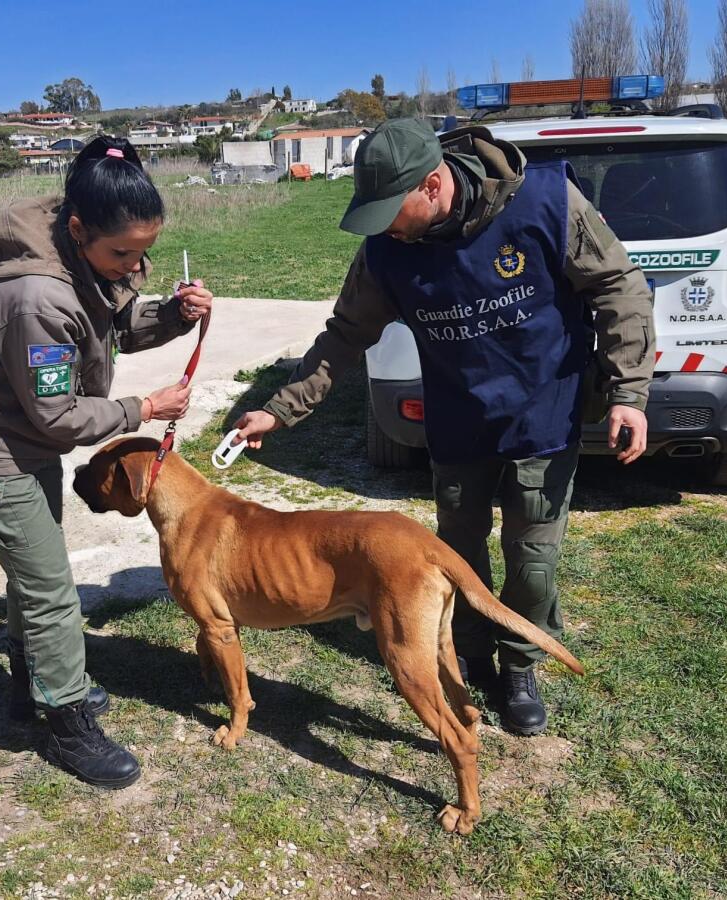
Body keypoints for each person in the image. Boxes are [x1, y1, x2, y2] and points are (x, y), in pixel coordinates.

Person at [233, 118, 654, 736]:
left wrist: (629, 392)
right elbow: (345, 336)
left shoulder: (546, 202)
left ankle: (519, 665)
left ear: (433, 185)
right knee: (458, 556)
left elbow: (620, 288)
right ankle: (467, 652)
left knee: (532, 562)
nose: (383, 227)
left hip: (544, 419)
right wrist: (281, 407)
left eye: (390, 210)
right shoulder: (385, 250)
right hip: (459, 427)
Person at [0, 136, 212, 787]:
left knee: (36, 576)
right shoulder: (36, 297)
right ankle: (66, 724)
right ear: (80, 228)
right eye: (124, 255)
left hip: (21, 445)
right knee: (54, 590)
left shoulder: (79, 257)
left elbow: (110, 326)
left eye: (146, 253)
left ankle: (33, 687)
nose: (134, 268)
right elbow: (57, 416)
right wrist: (144, 409)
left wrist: (171, 315)